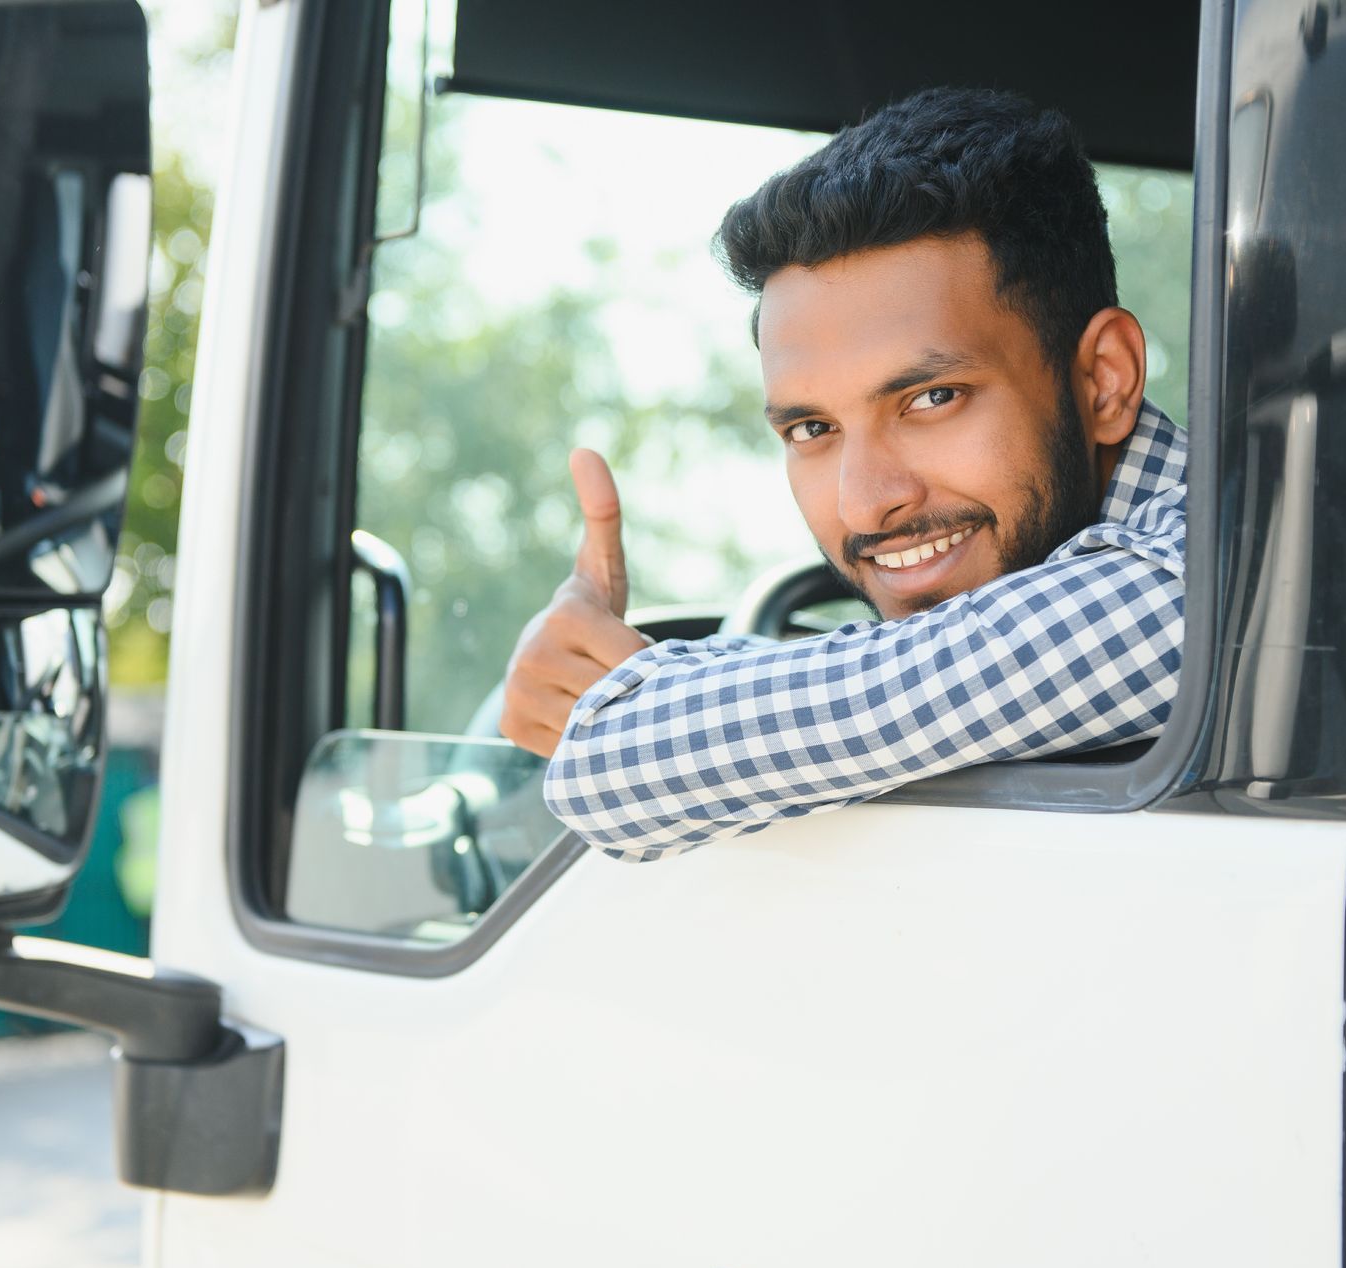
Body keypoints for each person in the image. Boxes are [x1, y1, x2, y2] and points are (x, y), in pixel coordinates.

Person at [499, 87, 1187, 861]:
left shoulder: (1228, 566)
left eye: (931, 398)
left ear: (1104, 379)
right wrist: (584, 683)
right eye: (812, 428)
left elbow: (627, 765)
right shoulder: (999, 591)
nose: (864, 502)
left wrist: (612, 708)